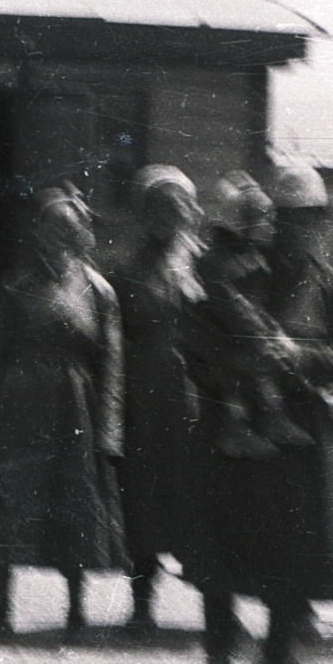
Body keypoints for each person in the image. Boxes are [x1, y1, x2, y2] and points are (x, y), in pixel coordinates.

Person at [196, 166, 333, 664]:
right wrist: (245, 362)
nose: (303, 229)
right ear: (275, 220)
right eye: (293, 219)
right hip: (243, 425)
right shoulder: (245, 272)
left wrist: (300, 353)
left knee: (294, 544)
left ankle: (278, 653)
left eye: (312, 219)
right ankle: (219, 653)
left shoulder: (330, 286)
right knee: (229, 537)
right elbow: (202, 334)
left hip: (303, 428)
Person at [0, 186, 126, 641]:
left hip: (77, 405)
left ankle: (77, 611)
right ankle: (2, 609)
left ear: (82, 230)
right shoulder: (16, 286)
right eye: (51, 225)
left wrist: (110, 429)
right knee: (16, 500)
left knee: (76, 502)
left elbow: (112, 363)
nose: (61, 234)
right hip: (22, 404)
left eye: (69, 225)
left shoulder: (98, 290)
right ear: (36, 231)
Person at [111, 166, 208, 637]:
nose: (168, 216)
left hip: (194, 396)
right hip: (144, 399)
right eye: (157, 207)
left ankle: (215, 608)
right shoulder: (125, 269)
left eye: (177, 206)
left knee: (199, 496)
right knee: (142, 501)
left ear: (191, 212)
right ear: (142, 213)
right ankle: (142, 601)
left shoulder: (204, 265)